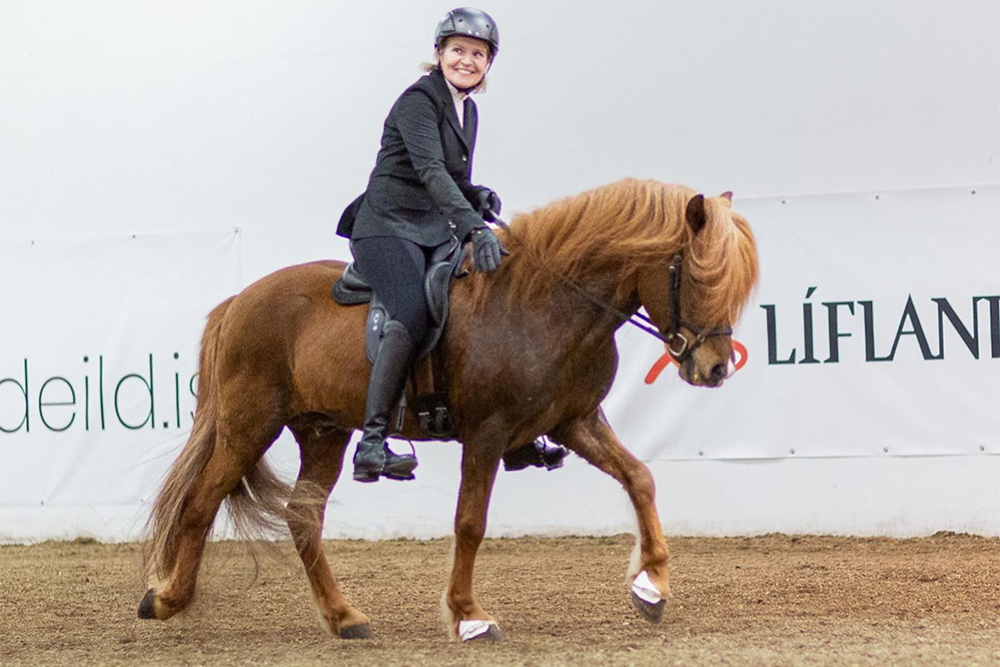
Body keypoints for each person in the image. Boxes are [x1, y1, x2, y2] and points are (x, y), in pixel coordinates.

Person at [337, 7, 567, 482]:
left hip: (429, 229)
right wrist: (473, 228)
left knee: (481, 299)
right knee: (411, 311)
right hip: (385, 227)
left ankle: (514, 436)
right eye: (458, 50)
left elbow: (452, 180)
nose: (467, 60)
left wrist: (475, 196)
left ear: (488, 64)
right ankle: (373, 442)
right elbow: (430, 172)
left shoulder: (469, 110)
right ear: (439, 53)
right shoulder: (418, 102)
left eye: (478, 54)